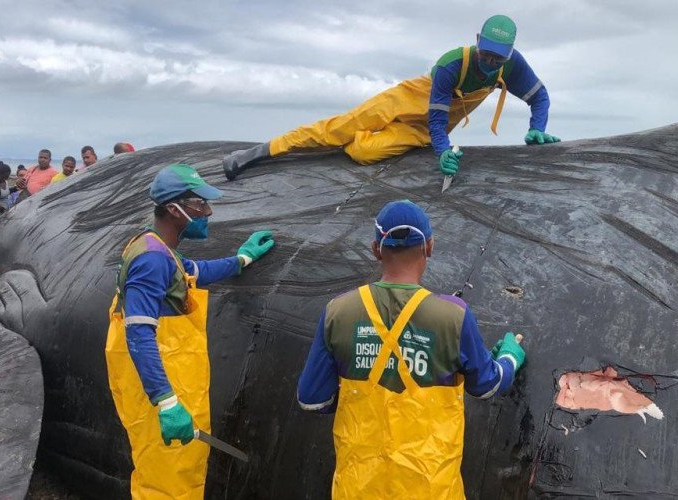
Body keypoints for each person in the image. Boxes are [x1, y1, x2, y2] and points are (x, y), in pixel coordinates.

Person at [296, 199, 526, 498]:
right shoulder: (452, 316)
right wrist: (509, 357)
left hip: (359, 488)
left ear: (375, 248)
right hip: (430, 488)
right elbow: (486, 385)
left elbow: (312, 400)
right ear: (429, 246)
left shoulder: (338, 311)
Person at [104, 163, 275, 499]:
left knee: (178, 472)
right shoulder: (151, 260)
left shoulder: (158, 250)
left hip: (172, 378)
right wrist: (166, 402)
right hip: (162, 384)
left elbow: (193, 272)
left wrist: (242, 260)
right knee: (167, 480)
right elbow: (138, 333)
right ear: (174, 209)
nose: (208, 212)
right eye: (200, 205)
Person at [222, 15, 558, 181]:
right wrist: (443, 151)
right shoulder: (452, 63)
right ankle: (260, 152)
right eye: (486, 55)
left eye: (497, 59)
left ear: (509, 54)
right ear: (476, 42)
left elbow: (539, 97)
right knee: (338, 129)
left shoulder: (512, 66)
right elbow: (439, 116)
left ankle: (358, 141)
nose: (490, 63)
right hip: (407, 102)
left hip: (420, 131)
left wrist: (536, 127)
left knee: (363, 152)